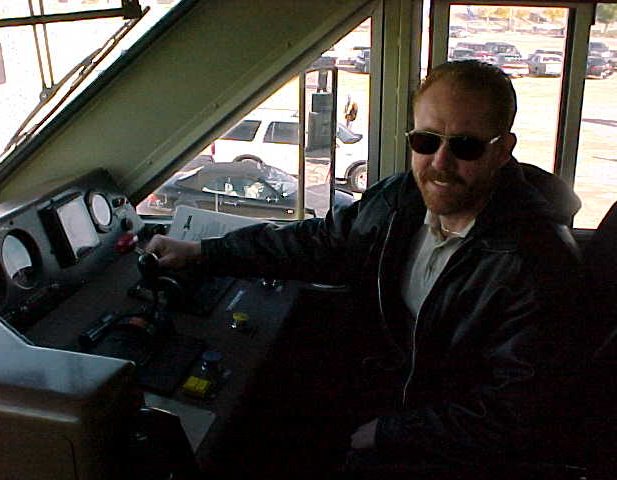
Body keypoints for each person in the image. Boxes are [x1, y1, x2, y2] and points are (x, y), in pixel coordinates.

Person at [146, 60, 586, 476]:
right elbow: (320, 243)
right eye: (426, 141)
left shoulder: (537, 265)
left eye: (465, 146)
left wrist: (386, 432)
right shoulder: (400, 200)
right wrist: (203, 253)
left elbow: (513, 413)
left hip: (432, 438)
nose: (440, 163)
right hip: (378, 386)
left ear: (503, 150)